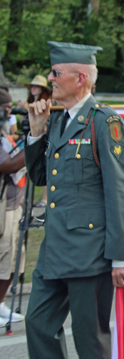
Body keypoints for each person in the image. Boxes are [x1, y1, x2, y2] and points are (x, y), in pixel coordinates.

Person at [24, 41, 124, 359]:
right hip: (55, 249)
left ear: (80, 79)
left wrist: (119, 257)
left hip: (90, 253)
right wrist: (35, 132)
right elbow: (41, 176)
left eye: (56, 72)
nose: (50, 78)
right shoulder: (60, 120)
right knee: (38, 325)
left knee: (90, 339)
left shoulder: (104, 122)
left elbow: (122, 190)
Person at [0, 89, 26, 328]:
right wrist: (34, 143)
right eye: (6, 108)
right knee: (4, 258)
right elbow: (7, 165)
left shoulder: (6, 131)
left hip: (15, 203)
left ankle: (1, 304)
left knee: (14, 261)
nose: (9, 112)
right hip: (4, 205)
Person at [18, 75, 52, 208]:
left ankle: (45, 198)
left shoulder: (48, 102)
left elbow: (47, 122)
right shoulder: (31, 101)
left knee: (43, 168)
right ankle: (25, 198)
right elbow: (24, 124)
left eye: (37, 86)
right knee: (28, 168)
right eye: (32, 86)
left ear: (42, 89)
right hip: (30, 137)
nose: (33, 88)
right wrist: (23, 111)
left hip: (42, 138)